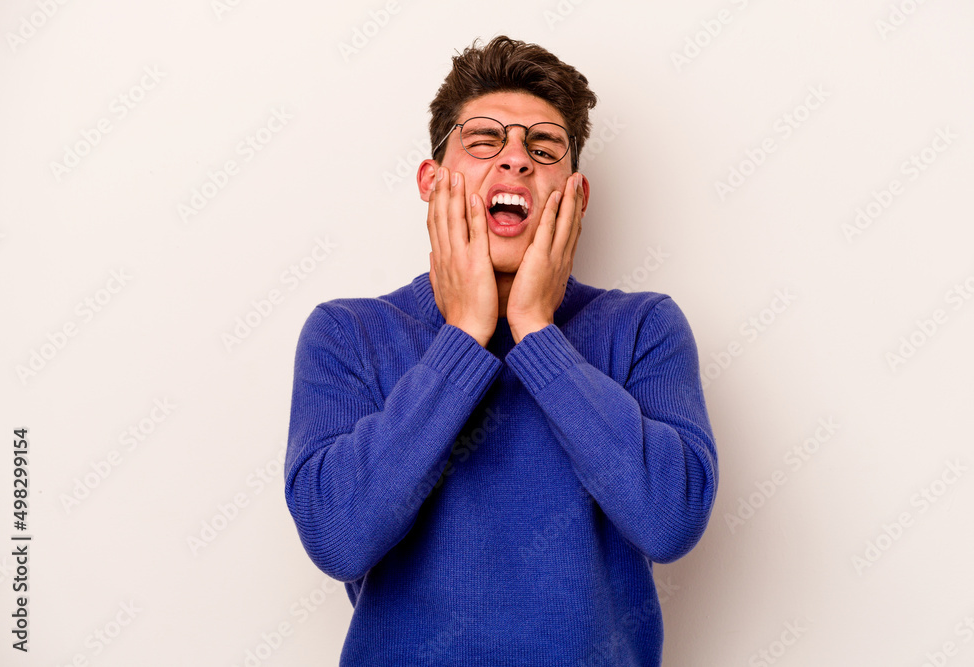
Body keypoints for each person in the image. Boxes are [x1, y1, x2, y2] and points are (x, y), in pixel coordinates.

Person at [284, 34, 718, 666]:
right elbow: (339, 539)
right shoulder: (346, 333)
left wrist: (537, 331)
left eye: (543, 149)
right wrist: (463, 335)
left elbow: (670, 522)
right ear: (433, 181)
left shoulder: (643, 326)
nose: (515, 160)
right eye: (484, 141)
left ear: (574, 194)